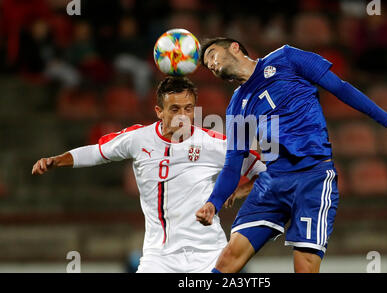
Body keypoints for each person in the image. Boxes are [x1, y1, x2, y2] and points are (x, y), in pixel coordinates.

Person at [196, 38, 387, 273]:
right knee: (228, 259)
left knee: (304, 267)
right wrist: (214, 203)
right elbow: (233, 163)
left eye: (212, 54)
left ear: (235, 46)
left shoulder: (286, 58)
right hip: (272, 181)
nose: (210, 64)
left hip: (312, 177)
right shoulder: (237, 104)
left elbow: (340, 88)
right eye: (206, 64)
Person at [31, 76, 266, 273]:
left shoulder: (214, 143)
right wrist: (56, 160)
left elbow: (263, 170)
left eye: (188, 109)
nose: (183, 116)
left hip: (209, 254)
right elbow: (96, 152)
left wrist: (240, 189)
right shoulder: (138, 139)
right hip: (159, 256)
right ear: (159, 112)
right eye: (174, 109)